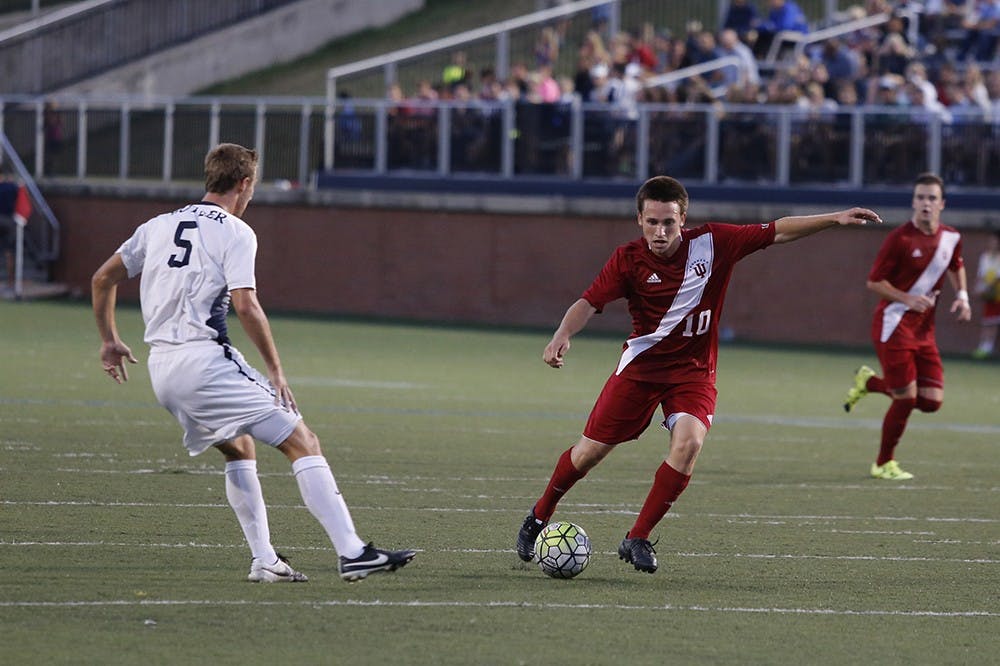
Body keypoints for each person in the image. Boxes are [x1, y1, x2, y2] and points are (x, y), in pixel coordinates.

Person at [515, 175, 882, 574]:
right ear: (639, 220)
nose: (660, 231)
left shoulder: (714, 243)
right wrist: (563, 333)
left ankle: (637, 536)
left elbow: (777, 230)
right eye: (652, 222)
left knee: (689, 444)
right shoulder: (627, 259)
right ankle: (539, 515)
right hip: (640, 370)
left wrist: (835, 218)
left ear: (682, 219)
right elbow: (589, 301)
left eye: (668, 223)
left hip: (693, 373)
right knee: (589, 453)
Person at [91, 143, 416, 583]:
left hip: (162, 371)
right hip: (205, 362)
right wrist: (277, 371)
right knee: (303, 439)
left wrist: (109, 339)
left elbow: (102, 278)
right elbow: (246, 305)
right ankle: (353, 551)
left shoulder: (157, 226)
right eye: (253, 187)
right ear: (244, 184)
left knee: (239, 446)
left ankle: (265, 559)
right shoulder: (236, 231)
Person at [843, 173, 971, 480]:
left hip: (924, 333)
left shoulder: (951, 237)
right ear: (913, 202)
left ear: (942, 204)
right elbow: (874, 282)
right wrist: (907, 298)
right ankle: (883, 463)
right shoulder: (899, 239)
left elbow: (956, 263)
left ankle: (871, 383)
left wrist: (963, 296)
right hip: (893, 327)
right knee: (906, 399)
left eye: (931, 198)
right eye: (920, 197)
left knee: (931, 401)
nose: (925, 203)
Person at [0, 172, 31, 295]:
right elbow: (23, 199)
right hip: (9, 221)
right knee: (10, 253)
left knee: (9, 253)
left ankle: (11, 283)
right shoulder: (13, 187)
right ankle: (10, 283)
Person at [972, 229, 1000, 358]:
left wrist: (988, 288)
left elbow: (997, 278)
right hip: (989, 295)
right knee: (987, 321)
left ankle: (988, 347)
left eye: (995, 241)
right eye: (991, 241)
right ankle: (984, 347)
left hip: (997, 293)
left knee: (993, 321)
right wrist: (978, 288)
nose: (992, 243)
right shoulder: (985, 256)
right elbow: (981, 275)